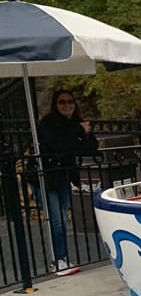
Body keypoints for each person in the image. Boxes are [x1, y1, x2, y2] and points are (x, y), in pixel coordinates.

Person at [35, 89, 98, 275]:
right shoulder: (48, 124)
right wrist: (78, 132)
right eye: (62, 102)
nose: (67, 105)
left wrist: (84, 135)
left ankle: (61, 257)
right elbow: (57, 147)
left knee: (62, 216)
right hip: (47, 176)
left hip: (64, 175)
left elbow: (89, 147)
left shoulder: (77, 122)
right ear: (55, 104)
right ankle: (59, 259)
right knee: (57, 219)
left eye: (70, 101)